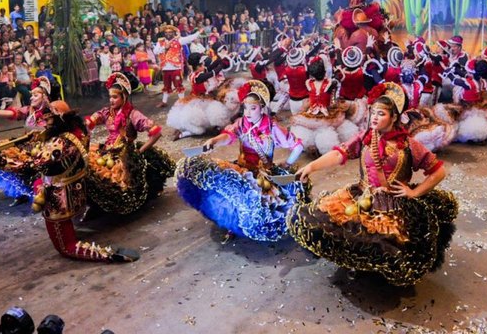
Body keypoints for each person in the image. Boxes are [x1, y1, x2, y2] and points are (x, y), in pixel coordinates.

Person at [289, 82, 458, 286]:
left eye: (381, 114)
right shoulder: (365, 137)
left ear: (394, 117)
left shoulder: (409, 145)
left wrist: (414, 193)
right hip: (361, 195)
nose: (374, 118)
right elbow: (338, 153)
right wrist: (311, 167)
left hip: (392, 204)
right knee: (330, 223)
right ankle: (355, 264)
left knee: (385, 244)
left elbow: (438, 172)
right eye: (373, 113)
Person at [176, 80, 305, 241]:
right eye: (245, 108)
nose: (248, 113)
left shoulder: (272, 128)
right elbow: (229, 136)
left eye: (253, 108)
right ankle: (233, 225)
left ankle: (241, 227)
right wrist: (215, 141)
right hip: (241, 168)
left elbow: (298, 145)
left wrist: (288, 163)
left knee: (257, 208)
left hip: (262, 176)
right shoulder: (242, 123)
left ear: (263, 107)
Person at [29, 100, 139, 262]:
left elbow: (35, 164)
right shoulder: (78, 131)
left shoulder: (60, 143)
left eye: (49, 120)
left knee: (66, 247)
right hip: (76, 190)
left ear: (59, 119)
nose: (45, 124)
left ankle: (107, 254)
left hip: (59, 199)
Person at [84, 73, 175, 216]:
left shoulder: (133, 114)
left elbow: (156, 133)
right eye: (110, 97)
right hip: (108, 149)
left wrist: (141, 151)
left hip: (125, 153)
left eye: (115, 97)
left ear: (124, 97)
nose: (111, 100)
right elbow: (90, 122)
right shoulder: (107, 112)